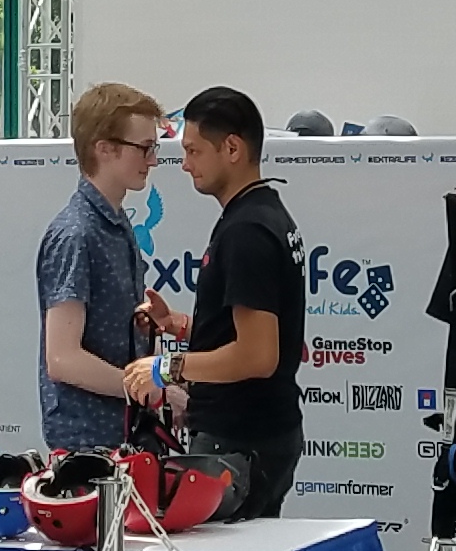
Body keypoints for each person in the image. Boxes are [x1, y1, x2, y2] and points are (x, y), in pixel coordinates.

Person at [137, 88, 305, 516]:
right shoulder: (260, 215)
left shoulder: (247, 231)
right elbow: (252, 333)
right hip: (256, 436)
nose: (184, 164)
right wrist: (181, 326)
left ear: (232, 148)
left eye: (193, 151)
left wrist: (165, 368)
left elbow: (257, 355)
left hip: (237, 442)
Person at [37, 84, 165, 452]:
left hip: (121, 432)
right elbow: (62, 359)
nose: (152, 161)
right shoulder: (76, 234)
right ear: (104, 148)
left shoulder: (115, 224)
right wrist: (144, 387)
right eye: (144, 148)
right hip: (87, 441)